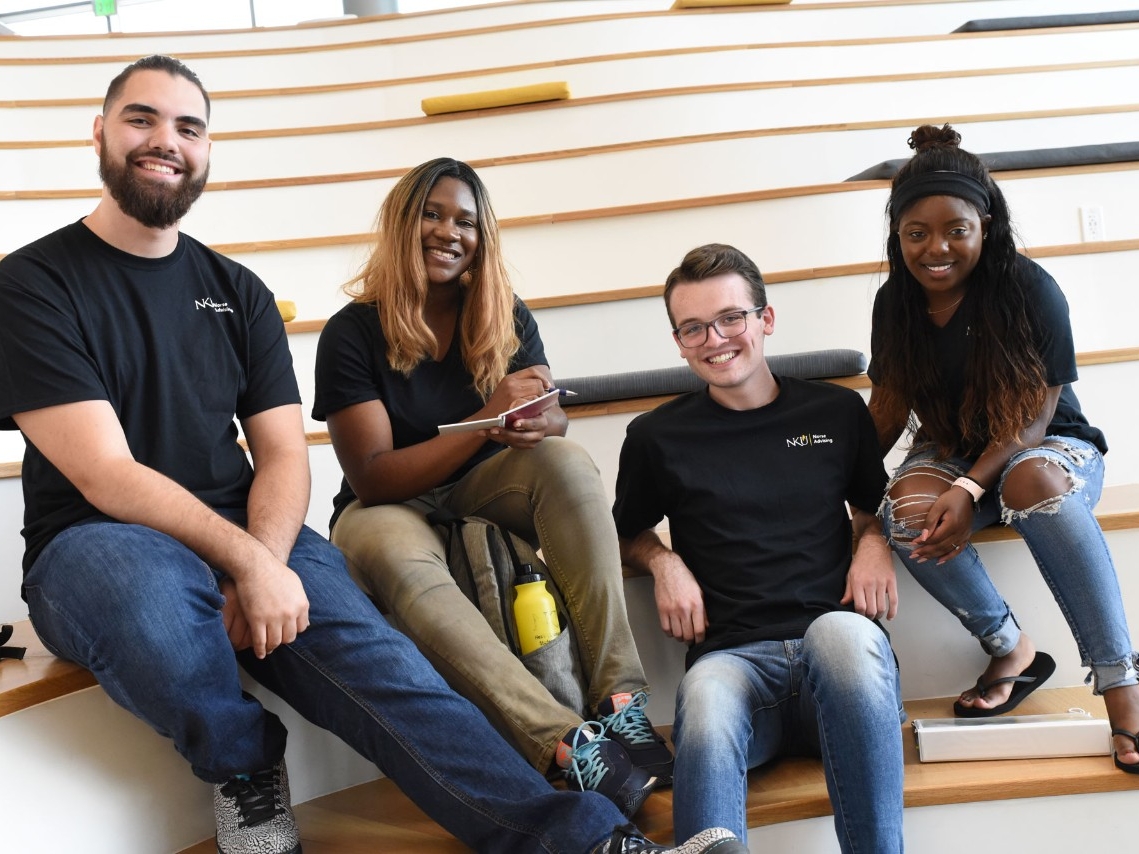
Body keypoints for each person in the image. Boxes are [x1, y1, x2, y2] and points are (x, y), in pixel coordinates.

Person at [0, 54, 751, 854]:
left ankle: (589, 842)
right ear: (100, 133)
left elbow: (283, 455)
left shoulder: (238, 291)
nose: (165, 142)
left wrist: (263, 554)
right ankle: (245, 768)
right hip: (94, 538)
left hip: (241, 520)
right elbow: (104, 473)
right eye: (141, 120)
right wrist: (252, 568)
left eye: (188, 127)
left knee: (391, 669)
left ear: (207, 149)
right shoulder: (33, 283)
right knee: (159, 614)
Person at [311, 157, 673, 816]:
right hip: (383, 505)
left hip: (482, 484)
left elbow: (550, 409)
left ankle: (621, 705)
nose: (449, 231)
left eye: (466, 221)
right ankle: (567, 743)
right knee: (398, 558)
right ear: (402, 221)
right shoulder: (351, 332)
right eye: (433, 213)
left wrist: (540, 418)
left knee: (568, 463)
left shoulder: (501, 313)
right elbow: (373, 472)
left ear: (483, 238)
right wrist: (484, 421)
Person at [614, 244, 905, 851]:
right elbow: (624, 532)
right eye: (692, 327)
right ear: (678, 341)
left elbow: (876, 506)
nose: (714, 339)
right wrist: (663, 561)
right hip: (736, 664)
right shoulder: (655, 437)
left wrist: (873, 539)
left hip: (839, 668)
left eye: (730, 318)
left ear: (765, 320)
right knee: (708, 694)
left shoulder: (836, 411)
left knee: (844, 634)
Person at [867, 123, 1139, 774]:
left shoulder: (1026, 287)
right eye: (915, 233)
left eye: (955, 229)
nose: (935, 248)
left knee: (1030, 483)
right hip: (950, 447)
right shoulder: (894, 303)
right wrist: (844, 497)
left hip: (1043, 443)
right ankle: (1010, 647)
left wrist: (966, 490)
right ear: (896, 235)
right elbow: (887, 408)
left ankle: (1121, 686)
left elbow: (1034, 411)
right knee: (901, 510)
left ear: (984, 223)